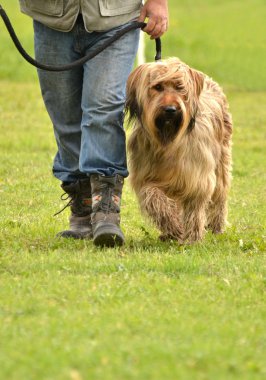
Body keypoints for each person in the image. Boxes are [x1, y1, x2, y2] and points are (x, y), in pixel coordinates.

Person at [19, 0, 169, 247]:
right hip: (50, 16)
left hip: (115, 15)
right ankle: (83, 206)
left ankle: (106, 210)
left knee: (104, 107)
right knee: (64, 114)